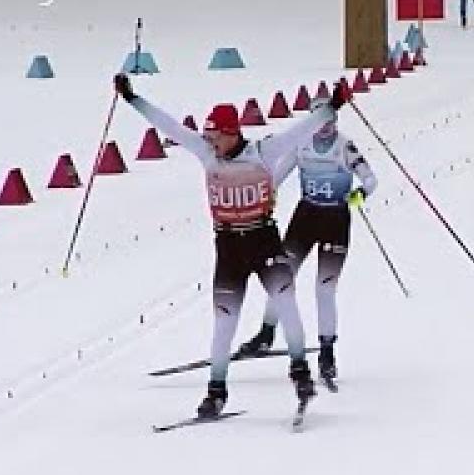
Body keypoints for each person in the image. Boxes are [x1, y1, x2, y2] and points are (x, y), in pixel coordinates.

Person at [113, 72, 348, 418]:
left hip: (264, 241)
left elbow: (301, 128)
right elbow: (170, 126)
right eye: (206, 136)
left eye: (214, 136)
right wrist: (132, 98)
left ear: (231, 133)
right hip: (229, 249)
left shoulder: (264, 152)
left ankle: (301, 375)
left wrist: (333, 106)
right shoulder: (207, 154)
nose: (208, 142)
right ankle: (216, 392)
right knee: (224, 322)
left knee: (286, 302)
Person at [235, 117, 378, 381]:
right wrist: (266, 197)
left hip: (335, 220)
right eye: (319, 121)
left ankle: (327, 352)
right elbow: (276, 177)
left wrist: (360, 194)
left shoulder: (345, 146)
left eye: (329, 122)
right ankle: (266, 333)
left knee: (324, 288)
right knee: (281, 278)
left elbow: (370, 180)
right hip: (306, 218)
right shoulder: (301, 144)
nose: (324, 128)